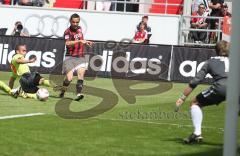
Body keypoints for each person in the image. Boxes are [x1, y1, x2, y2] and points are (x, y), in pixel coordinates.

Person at [175, 40, 229, 144]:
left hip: (221, 88)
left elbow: (194, 82)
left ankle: (197, 133)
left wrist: (182, 98)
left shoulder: (210, 62)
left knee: (195, 103)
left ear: (216, 50)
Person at [58, 13, 93, 101]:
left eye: (77, 22)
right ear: (70, 21)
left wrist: (86, 42)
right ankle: (62, 91)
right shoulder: (67, 32)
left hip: (81, 56)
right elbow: (67, 43)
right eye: (73, 22)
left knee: (81, 75)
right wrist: (79, 41)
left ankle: (78, 94)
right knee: (69, 78)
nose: (75, 24)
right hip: (70, 57)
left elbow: (81, 40)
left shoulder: (80, 29)